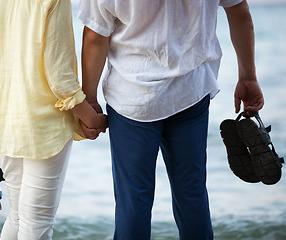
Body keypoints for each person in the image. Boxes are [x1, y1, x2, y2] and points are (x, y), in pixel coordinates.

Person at [77, 0, 263, 239]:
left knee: (133, 201)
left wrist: (89, 100)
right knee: (192, 194)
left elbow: (95, 36)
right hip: (190, 92)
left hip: (133, 98)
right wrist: (248, 77)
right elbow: (239, 10)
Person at [0, 0, 108, 239]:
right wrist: (92, 118)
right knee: (37, 223)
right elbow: (60, 76)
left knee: (17, 216)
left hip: (2, 121)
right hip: (42, 128)